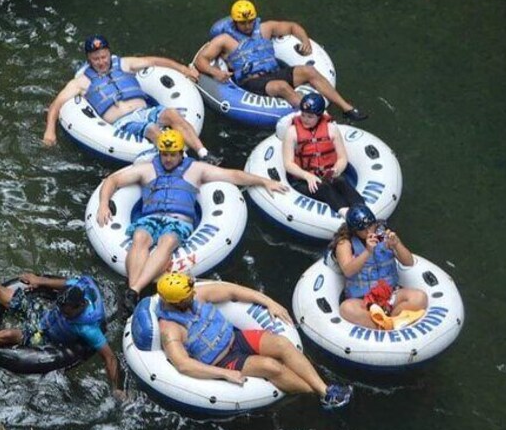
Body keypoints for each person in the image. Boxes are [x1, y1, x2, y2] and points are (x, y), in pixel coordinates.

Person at [96, 129, 288, 316]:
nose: (168, 159)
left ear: (181, 153)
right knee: (139, 237)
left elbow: (232, 175)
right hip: (150, 218)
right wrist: (103, 205)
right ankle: (132, 292)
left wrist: (263, 181)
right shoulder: (147, 169)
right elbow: (113, 180)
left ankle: (134, 290)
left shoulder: (196, 169)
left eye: (172, 154)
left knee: (168, 241)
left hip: (178, 221)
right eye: (164, 154)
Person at [155, 272, 353, 409]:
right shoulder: (170, 329)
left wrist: (270, 302)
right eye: (188, 296)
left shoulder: (198, 296)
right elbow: (184, 365)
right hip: (222, 360)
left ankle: (326, 391)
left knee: (282, 344)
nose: (193, 294)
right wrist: (223, 373)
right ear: (177, 302)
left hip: (236, 339)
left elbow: (233, 291)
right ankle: (315, 395)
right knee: (271, 366)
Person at [0, 269, 123, 399]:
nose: (62, 310)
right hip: (41, 314)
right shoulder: (82, 287)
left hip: (43, 334)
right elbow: (64, 284)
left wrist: (116, 388)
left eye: (66, 310)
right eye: (61, 306)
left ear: (79, 307)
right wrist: (39, 280)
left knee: (6, 335)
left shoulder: (88, 328)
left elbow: (110, 358)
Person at [44, 34, 223, 165]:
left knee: (173, 114)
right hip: (123, 122)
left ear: (109, 53)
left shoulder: (123, 64)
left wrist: (183, 69)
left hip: (146, 111)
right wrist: (50, 131)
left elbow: (153, 61)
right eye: (95, 59)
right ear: (89, 60)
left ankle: (203, 153)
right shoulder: (82, 81)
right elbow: (56, 105)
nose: (101, 62)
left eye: (104, 56)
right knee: (152, 129)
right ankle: (182, 163)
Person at [194, 0, 368, 122]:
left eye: (250, 21)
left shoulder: (265, 28)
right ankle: (319, 117)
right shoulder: (224, 40)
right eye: (243, 22)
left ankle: (347, 109)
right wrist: (215, 72)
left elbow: (292, 27)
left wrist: (305, 41)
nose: (247, 25)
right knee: (282, 87)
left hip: (274, 71)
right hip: (252, 80)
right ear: (235, 22)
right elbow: (201, 60)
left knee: (309, 71)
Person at [331, 205, 428, 328]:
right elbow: (348, 271)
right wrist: (367, 252)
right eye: (363, 229)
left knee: (420, 298)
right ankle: (385, 324)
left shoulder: (383, 235)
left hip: (390, 294)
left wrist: (397, 244)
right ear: (354, 230)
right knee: (347, 309)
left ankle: (387, 320)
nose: (369, 231)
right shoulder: (345, 243)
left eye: (371, 226)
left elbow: (409, 262)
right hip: (363, 300)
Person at [282, 92, 366, 217]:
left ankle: (362, 209)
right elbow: (288, 164)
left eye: (310, 117)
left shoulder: (331, 129)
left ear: (320, 116)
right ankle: (346, 214)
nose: (305, 119)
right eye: (303, 115)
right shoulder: (292, 132)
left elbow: (342, 158)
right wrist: (307, 176)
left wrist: (336, 170)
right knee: (322, 187)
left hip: (327, 174)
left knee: (341, 180)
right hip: (304, 181)